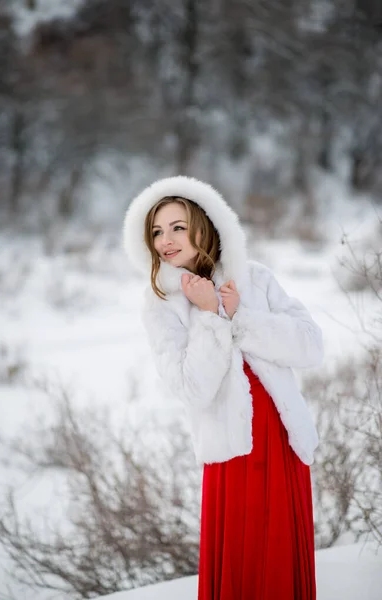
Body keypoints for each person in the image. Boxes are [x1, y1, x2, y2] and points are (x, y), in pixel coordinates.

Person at [122, 175, 323, 600]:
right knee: (243, 566)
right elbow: (191, 388)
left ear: (205, 225)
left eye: (178, 226)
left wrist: (241, 319)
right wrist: (211, 316)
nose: (166, 240)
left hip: (283, 441)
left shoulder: (255, 278)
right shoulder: (160, 302)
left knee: (282, 560)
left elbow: (310, 345)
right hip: (231, 451)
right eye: (157, 231)